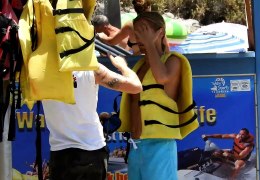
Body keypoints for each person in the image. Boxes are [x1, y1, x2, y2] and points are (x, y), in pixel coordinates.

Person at [118, 11, 198, 180]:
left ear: (160, 32)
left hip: (160, 145)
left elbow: (162, 77)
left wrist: (149, 43)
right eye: (136, 32)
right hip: (136, 145)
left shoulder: (173, 60)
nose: (138, 37)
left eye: (143, 31)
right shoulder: (139, 66)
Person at [42, 54, 142, 180]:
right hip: (92, 150)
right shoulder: (91, 68)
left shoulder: (40, 70)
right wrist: (123, 66)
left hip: (61, 153)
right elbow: (136, 86)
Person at [95, 0, 170, 55]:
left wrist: (100, 36)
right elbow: (166, 49)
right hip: (157, 60)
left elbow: (111, 42)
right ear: (149, 7)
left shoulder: (130, 25)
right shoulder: (156, 23)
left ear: (135, 8)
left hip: (138, 62)